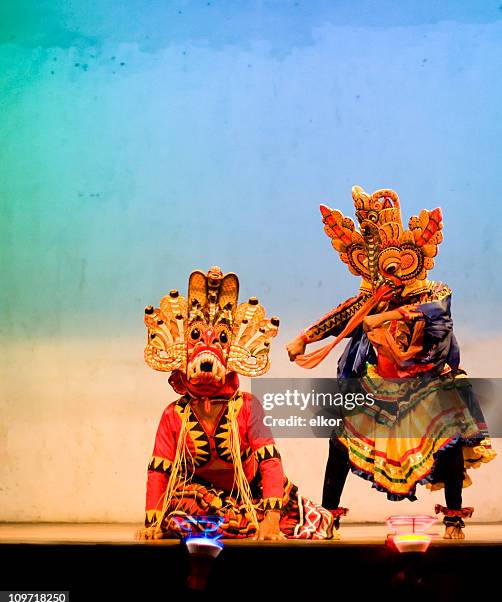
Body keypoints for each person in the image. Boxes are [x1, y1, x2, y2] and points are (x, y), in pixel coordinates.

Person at [287, 186, 496, 539]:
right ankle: (328, 517)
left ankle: (454, 520)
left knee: (448, 439)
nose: (387, 273)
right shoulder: (373, 296)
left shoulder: (433, 291)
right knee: (340, 441)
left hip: (427, 381)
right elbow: (346, 316)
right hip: (376, 384)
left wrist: (388, 317)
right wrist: (305, 337)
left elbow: (439, 317)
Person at [136, 266, 334, 541]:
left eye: (220, 340)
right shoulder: (174, 414)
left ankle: (251, 521)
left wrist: (272, 520)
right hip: (197, 495)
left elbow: (270, 462)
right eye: (196, 339)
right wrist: (152, 523)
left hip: (251, 493)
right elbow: (160, 469)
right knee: (181, 521)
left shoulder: (247, 406)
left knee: (303, 522)